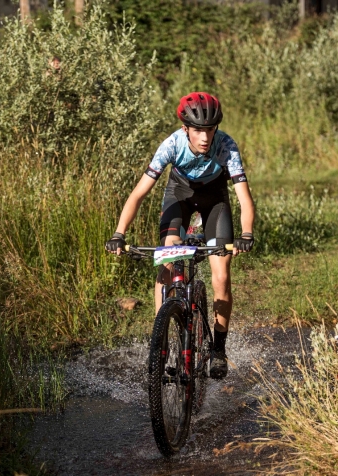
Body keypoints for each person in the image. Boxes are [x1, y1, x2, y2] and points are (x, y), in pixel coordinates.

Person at [105, 92, 255, 379]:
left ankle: (218, 350)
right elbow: (139, 193)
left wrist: (247, 233)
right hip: (179, 196)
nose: (205, 136)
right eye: (198, 129)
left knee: (221, 276)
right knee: (168, 263)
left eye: (210, 129)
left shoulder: (226, 147)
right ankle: (160, 340)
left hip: (215, 202)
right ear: (185, 128)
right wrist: (119, 233)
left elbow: (245, 199)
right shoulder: (171, 145)